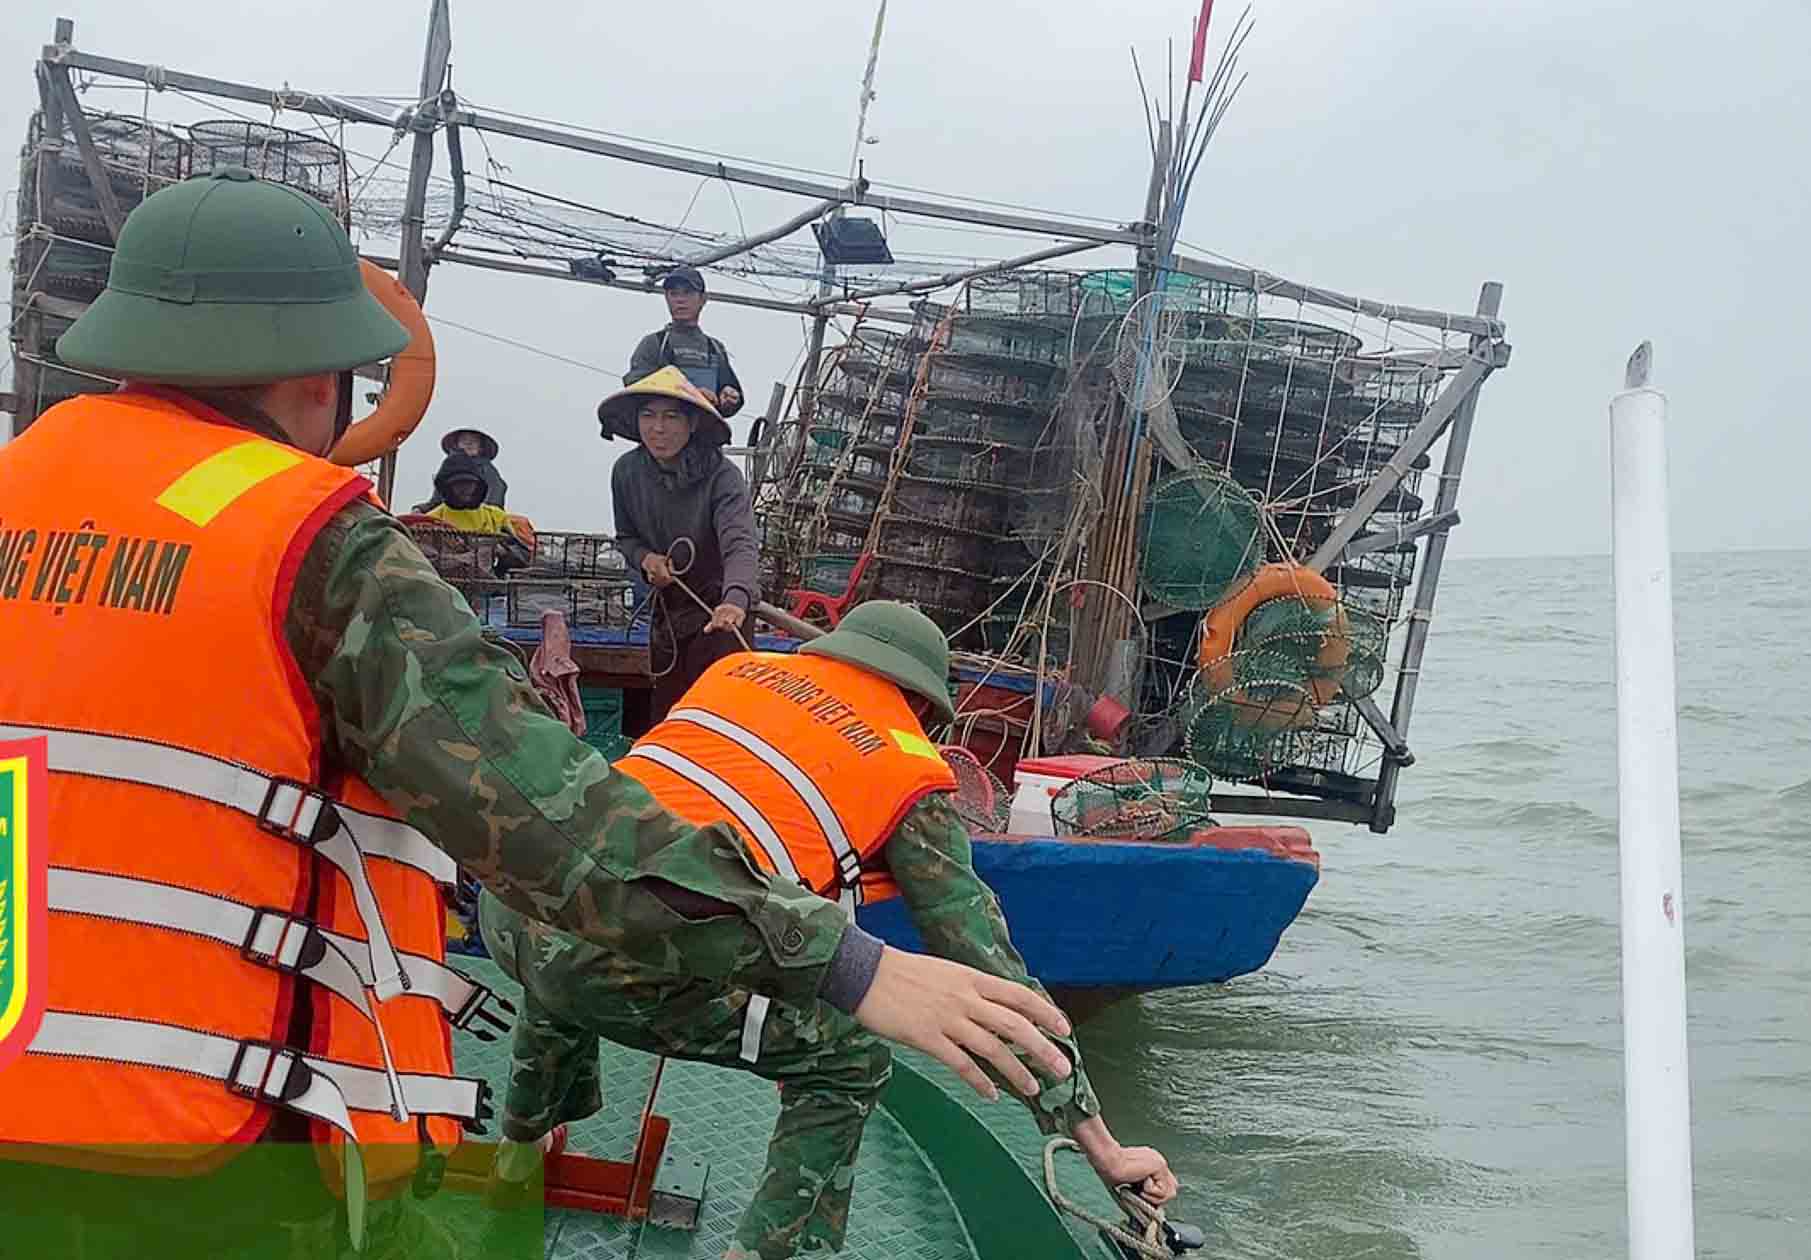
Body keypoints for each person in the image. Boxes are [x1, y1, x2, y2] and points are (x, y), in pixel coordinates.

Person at [0, 167, 1074, 1257]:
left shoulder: (19, 484)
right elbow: (555, 828)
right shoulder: (303, 543)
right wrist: (853, 967)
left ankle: (522, 1133)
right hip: (213, 1147)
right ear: (315, 373)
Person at [480, 600, 1178, 1260]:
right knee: (851, 1060)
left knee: (579, 913)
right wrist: (1103, 1148)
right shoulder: (907, 768)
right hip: (617, 971)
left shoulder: (735, 675)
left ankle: (519, 1153)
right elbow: (993, 970)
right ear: (923, 707)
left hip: (510, 911)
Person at [602, 366, 760, 724]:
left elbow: (740, 543)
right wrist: (647, 559)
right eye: (648, 415)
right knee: (668, 718)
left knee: (720, 720)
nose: (658, 428)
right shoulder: (626, 471)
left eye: (671, 416)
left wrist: (735, 601)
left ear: (692, 424)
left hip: (720, 612)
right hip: (669, 616)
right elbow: (626, 538)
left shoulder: (723, 476)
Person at [624, 264, 744, 419]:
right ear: (666, 298)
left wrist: (729, 398)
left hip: (704, 435)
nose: (680, 300)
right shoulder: (655, 343)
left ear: (703, 299)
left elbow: (731, 393)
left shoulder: (714, 348)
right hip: (664, 436)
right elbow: (636, 389)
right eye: (674, 294)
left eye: (687, 293)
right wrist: (691, 394)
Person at [418, 449, 534, 573]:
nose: (465, 489)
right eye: (458, 484)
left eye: (469, 483)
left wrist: (503, 552)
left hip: (488, 587)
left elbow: (524, 557)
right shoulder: (431, 520)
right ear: (446, 487)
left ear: (478, 485)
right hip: (443, 585)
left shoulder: (497, 516)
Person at [411, 426, 508, 512]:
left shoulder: (487, 469)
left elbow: (496, 493)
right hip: (450, 518)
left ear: (481, 447)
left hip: (481, 518)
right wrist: (420, 509)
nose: (469, 443)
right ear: (457, 445)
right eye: (464, 440)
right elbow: (436, 501)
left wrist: (484, 514)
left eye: (473, 441)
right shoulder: (448, 468)